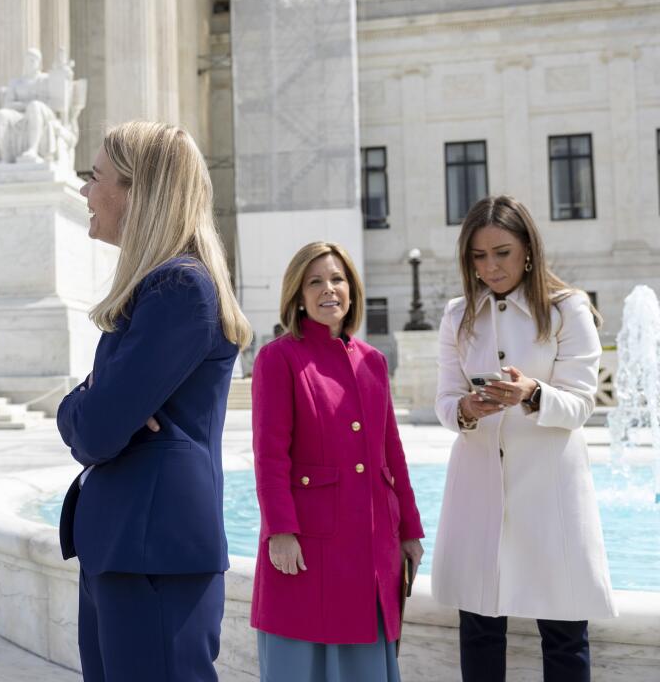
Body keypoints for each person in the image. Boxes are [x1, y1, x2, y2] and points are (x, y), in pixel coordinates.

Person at [56, 121, 252, 681]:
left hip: (152, 556)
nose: (85, 192)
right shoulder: (158, 288)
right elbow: (99, 417)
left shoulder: (179, 289)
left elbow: (93, 431)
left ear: (139, 192)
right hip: (127, 550)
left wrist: (87, 402)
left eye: (96, 177)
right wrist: (94, 400)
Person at [432, 195, 615, 682]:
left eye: (502, 252)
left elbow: (581, 403)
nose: (490, 267)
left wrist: (532, 393)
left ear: (528, 250)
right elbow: (445, 401)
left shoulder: (567, 309)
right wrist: (467, 410)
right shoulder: (457, 315)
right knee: (479, 625)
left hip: (551, 490)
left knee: (564, 631)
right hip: (478, 486)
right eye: (478, 256)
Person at [251, 241, 424, 682]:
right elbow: (270, 455)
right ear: (298, 295)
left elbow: (393, 454)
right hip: (307, 543)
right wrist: (281, 531)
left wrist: (409, 531)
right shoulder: (279, 358)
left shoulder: (374, 362)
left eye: (337, 279)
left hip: (373, 542)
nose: (329, 289)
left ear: (352, 290)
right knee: (299, 660)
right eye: (315, 281)